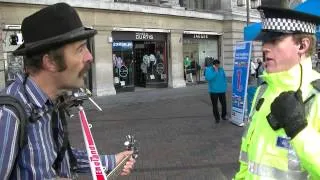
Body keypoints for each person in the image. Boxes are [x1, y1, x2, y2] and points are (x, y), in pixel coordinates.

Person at [0, 3, 135, 179]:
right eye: (80, 49)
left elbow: (60, 157)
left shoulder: (51, 103)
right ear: (50, 62)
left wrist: (110, 161)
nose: (90, 57)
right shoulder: (8, 115)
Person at [234, 6, 320, 179]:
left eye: (275, 39)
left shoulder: (316, 95)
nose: (265, 47)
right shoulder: (262, 90)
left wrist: (299, 130)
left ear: (303, 45)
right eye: (265, 40)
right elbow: (247, 158)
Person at [205, 59, 227, 124]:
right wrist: (215, 72)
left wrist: (224, 85)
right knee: (215, 105)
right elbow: (208, 78)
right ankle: (217, 118)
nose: (218, 66)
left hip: (222, 90)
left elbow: (224, 77)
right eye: (216, 65)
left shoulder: (221, 69)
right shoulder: (209, 70)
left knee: (224, 104)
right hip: (213, 91)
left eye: (218, 65)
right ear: (213, 65)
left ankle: (223, 116)